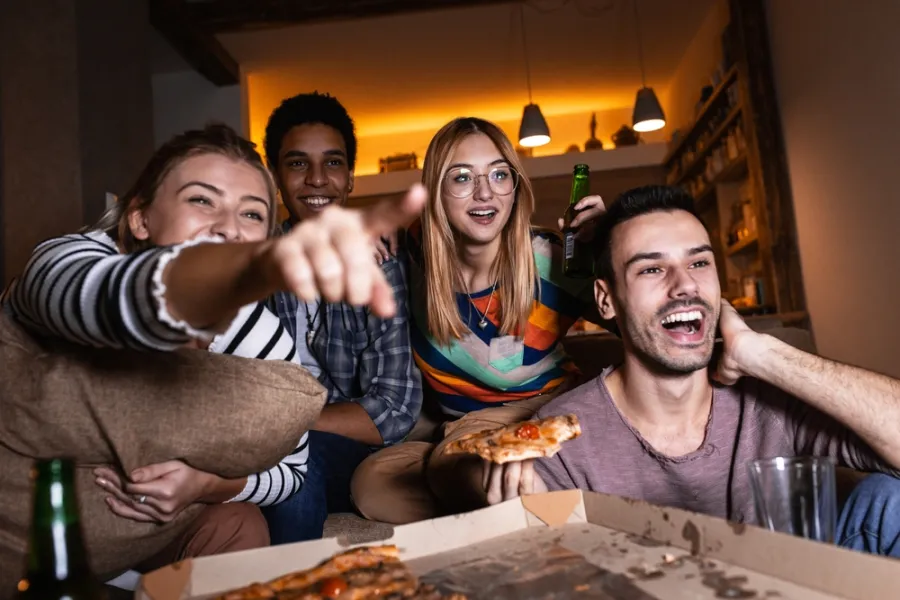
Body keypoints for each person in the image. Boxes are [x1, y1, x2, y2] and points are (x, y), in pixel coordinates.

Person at [1, 123, 426, 569]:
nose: (228, 229)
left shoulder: (260, 336)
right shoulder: (67, 258)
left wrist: (208, 485)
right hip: (34, 530)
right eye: (202, 200)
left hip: (160, 535)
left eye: (251, 214)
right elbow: (99, 296)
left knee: (240, 524)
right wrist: (193, 291)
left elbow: (293, 469)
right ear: (140, 217)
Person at [485, 184, 900, 558]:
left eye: (699, 263)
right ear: (605, 300)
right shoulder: (561, 439)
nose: (685, 284)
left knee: (890, 499)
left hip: (799, 580)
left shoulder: (771, 398)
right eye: (651, 268)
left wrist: (763, 354)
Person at [351, 117, 608, 524]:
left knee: (458, 465)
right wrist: (363, 235)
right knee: (372, 484)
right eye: (462, 177)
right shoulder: (412, 257)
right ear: (436, 192)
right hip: (460, 427)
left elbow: (639, 320)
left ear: (515, 187)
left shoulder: (550, 260)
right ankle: (527, 496)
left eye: (499, 174)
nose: (484, 192)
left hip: (548, 412)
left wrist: (612, 253)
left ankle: (518, 492)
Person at [260, 92, 422, 543]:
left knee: (295, 458)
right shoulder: (254, 261)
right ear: (277, 176)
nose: (316, 180)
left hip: (336, 450)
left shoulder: (380, 260)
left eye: (332, 164)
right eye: (297, 164)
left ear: (350, 178)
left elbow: (393, 408)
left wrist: (290, 422)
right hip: (253, 440)